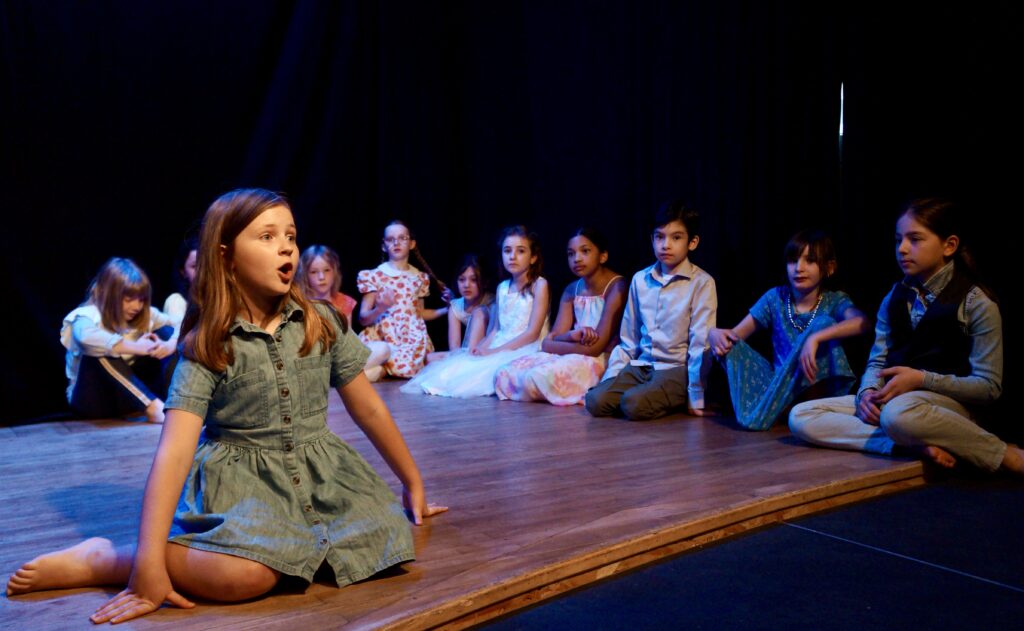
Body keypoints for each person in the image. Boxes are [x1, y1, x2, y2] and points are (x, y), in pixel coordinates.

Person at [7, 188, 447, 622]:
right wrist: (147, 568)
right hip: (246, 483)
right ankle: (109, 559)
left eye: (290, 236)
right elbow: (174, 452)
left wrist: (412, 481)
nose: (285, 248)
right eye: (267, 237)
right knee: (246, 577)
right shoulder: (209, 344)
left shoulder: (321, 321)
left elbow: (368, 409)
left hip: (321, 475)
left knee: (385, 540)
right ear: (226, 255)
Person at [789, 198, 1024, 474]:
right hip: (895, 404)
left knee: (899, 414)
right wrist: (867, 393)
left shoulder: (976, 303)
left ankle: (1002, 453)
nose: (902, 249)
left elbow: (988, 388)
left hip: (948, 410)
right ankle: (905, 446)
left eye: (915, 239)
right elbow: (877, 361)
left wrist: (922, 379)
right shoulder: (894, 297)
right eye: (899, 239)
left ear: (949, 245)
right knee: (801, 416)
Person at [708, 230, 869, 430]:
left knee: (823, 322)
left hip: (814, 389)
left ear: (829, 268)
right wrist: (714, 333)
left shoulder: (834, 300)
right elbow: (735, 336)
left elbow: (861, 322)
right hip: (780, 387)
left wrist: (815, 337)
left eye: (809, 261)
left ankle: (809, 408)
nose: (799, 268)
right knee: (730, 347)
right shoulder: (775, 298)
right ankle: (775, 409)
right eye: (793, 261)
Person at [584, 201, 717, 420]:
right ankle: (643, 394)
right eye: (659, 237)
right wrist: (613, 377)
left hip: (676, 369)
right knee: (595, 401)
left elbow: (700, 344)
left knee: (633, 404)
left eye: (676, 238)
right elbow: (629, 339)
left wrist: (696, 395)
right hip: (643, 366)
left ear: (692, 242)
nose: (666, 245)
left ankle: (672, 397)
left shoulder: (702, 283)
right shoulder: (640, 280)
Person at [402, 225, 550, 398]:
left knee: (486, 375)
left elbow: (532, 333)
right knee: (456, 370)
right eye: (507, 251)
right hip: (501, 343)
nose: (512, 256)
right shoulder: (502, 288)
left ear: (532, 257)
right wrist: (481, 348)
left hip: (525, 346)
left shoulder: (539, 285)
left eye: (521, 251)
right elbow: (496, 329)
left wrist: (496, 351)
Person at [495, 227, 627, 405]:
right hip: (573, 350)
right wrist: (571, 336)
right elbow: (549, 340)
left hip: (601, 357)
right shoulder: (571, 289)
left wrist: (557, 343)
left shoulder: (616, 286)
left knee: (537, 377)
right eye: (571, 254)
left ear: (602, 256)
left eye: (585, 251)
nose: (577, 259)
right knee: (504, 373)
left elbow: (596, 348)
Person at [61, 257, 177, 424]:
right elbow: (85, 338)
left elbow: (183, 323)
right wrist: (137, 348)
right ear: (108, 294)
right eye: (128, 299)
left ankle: (175, 404)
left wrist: (170, 344)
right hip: (92, 401)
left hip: (126, 398)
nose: (136, 306)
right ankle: (153, 408)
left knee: (167, 332)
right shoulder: (88, 315)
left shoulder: (144, 315)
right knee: (100, 351)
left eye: (141, 299)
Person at [357, 221, 448, 379]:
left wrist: (447, 309)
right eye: (390, 239)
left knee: (380, 372)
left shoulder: (419, 278)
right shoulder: (374, 276)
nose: (396, 242)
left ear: (412, 243)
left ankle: (376, 373)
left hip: (409, 339)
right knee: (380, 355)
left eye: (402, 238)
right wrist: (380, 308)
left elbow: (419, 313)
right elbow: (363, 318)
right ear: (384, 246)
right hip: (383, 337)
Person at [299, 244, 390, 379]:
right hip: (315, 361)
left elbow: (347, 342)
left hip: (340, 360)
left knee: (383, 348)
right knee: (376, 371)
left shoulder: (345, 302)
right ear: (305, 275)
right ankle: (344, 380)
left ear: (334, 271)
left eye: (326, 270)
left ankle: (336, 380)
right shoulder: (301, 303)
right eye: (314, 272)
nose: (321, 276)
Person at [426, 254, 493, 364]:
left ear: (485, 282)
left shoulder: (492, 302)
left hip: (486, 349)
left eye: (473, 280)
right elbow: (454, 349)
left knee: (479, 312)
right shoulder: (455, 306)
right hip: (465, 352)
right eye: (461, 280)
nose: (466, 285)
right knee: (428, 358)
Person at [163, 236, 198, 328]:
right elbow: (180, 339)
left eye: (206, 264)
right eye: (195, 266)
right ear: (183, 271)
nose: (202, 271)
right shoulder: (177, 301)